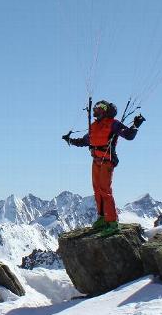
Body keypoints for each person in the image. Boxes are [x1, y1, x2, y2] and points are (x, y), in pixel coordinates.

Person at [62, 101, 145, 237]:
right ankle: (102, 218)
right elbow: (85, 141)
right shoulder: (94, 126)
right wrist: (70, 140)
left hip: (107, 161)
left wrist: (136, 125)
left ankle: (112, 223)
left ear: (106, 111)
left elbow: (129, 135)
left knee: (105, 190)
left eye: (100, 107)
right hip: (96, 160)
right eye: (96, 107)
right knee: (97, 189)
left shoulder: (113, 124)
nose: (95, 109)